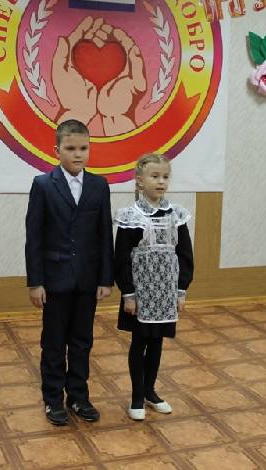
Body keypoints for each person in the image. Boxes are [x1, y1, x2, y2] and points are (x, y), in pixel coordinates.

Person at [25, 119, 114, 426]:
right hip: (54, 280)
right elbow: (34, 238)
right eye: (71, 148)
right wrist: (35, 282)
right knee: (53, 343)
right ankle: (52, 399)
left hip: (87, 281)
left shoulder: (99, 186)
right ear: (57, 150)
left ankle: (78, 396)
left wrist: (106, 278)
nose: (78, 154)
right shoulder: (43, 185)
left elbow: (104, 235)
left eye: (83, 148)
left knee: (81, 341)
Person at [114, 153, 193, 421]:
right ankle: (137, 396)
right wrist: (128, 294)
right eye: (155, 176)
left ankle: (150, 391)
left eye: (165, 177)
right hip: (140, 294)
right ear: (139, 180)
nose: (161, 182)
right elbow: (121, 259)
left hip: (165, 294)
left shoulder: (176, 215)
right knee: (140, 342)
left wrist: (180, 291)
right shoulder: (130, 217)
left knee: (157, 342)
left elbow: (185, 255)